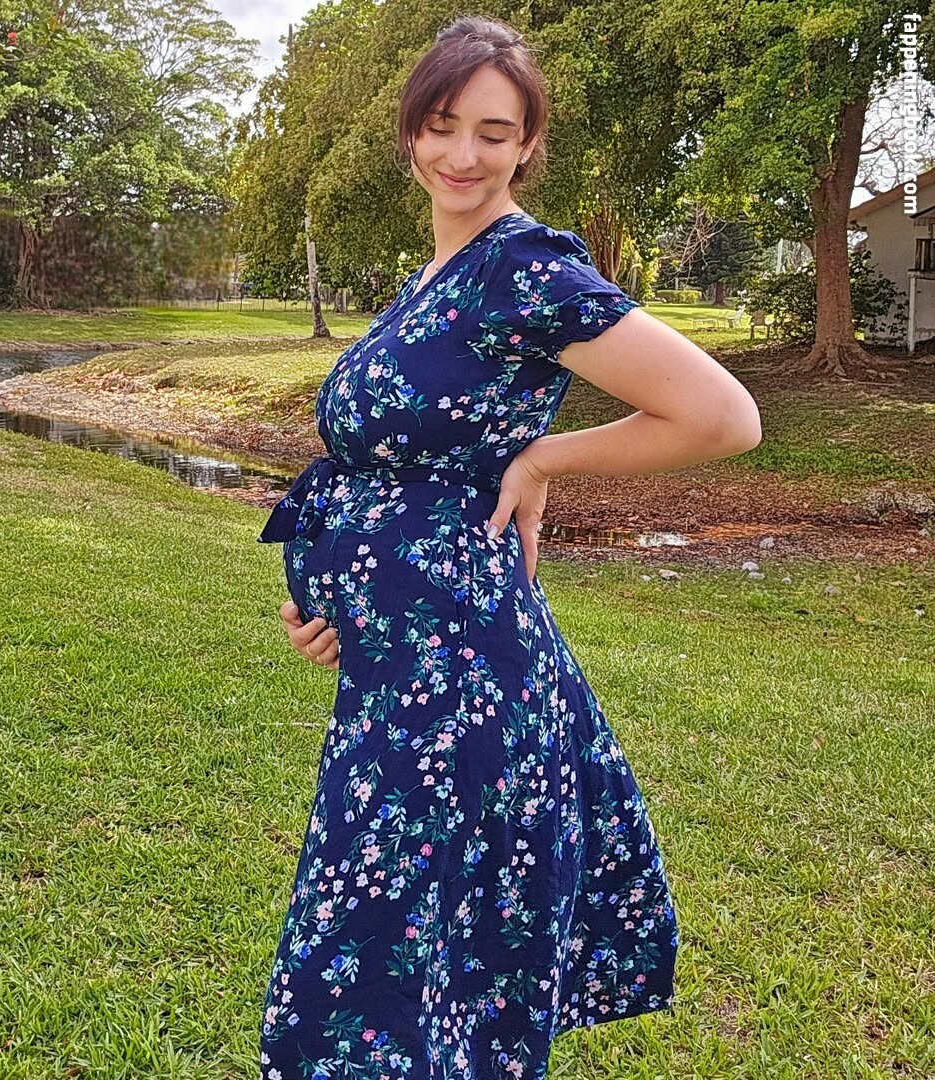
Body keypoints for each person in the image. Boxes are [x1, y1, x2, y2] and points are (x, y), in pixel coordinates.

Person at [257, 15, 761, 1079]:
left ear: (528, 145)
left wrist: (543, 460)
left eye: (494, 133)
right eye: (443, 125)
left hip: (457, 680)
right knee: (406, 964)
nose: (462, 154)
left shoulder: (521, 270)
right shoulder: (437, 274)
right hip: (403, 665)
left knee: (375, 961)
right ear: (410, 130)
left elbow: (721, 416)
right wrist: (333, 602)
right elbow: (393, 471)